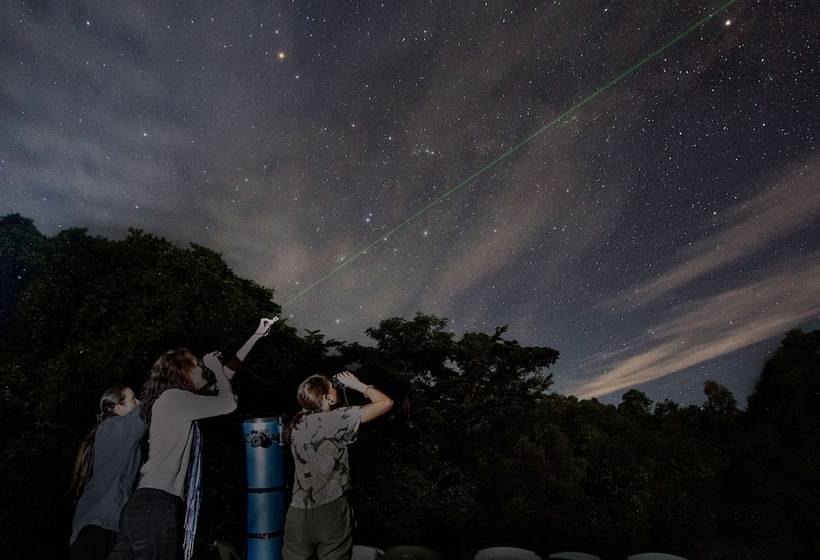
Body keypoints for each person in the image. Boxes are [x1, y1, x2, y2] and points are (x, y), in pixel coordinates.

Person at [107, 317, 276, 560]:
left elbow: (227, 374)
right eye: (197, 364)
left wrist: (256, 336)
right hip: (156, 505)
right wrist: (216, 368)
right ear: (183, 371)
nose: (202, 367)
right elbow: (229, 402)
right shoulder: (174, 399)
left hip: (144, 506)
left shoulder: (175, 400)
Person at [283, 371, 393, 560]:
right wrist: (358, 385)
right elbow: (385, 403)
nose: (337, 391)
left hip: (297, 513)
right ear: (327, 398)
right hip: (330, 510)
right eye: (333, 389)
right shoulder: (338, 418)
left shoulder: (296, 424)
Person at [69, 386, 144, 560]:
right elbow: (144, 413)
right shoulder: (114, 428)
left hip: (109, 525)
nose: (138, 402)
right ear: (119, 408)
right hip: (97, 524)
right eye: (133, 399)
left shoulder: (122, 435)